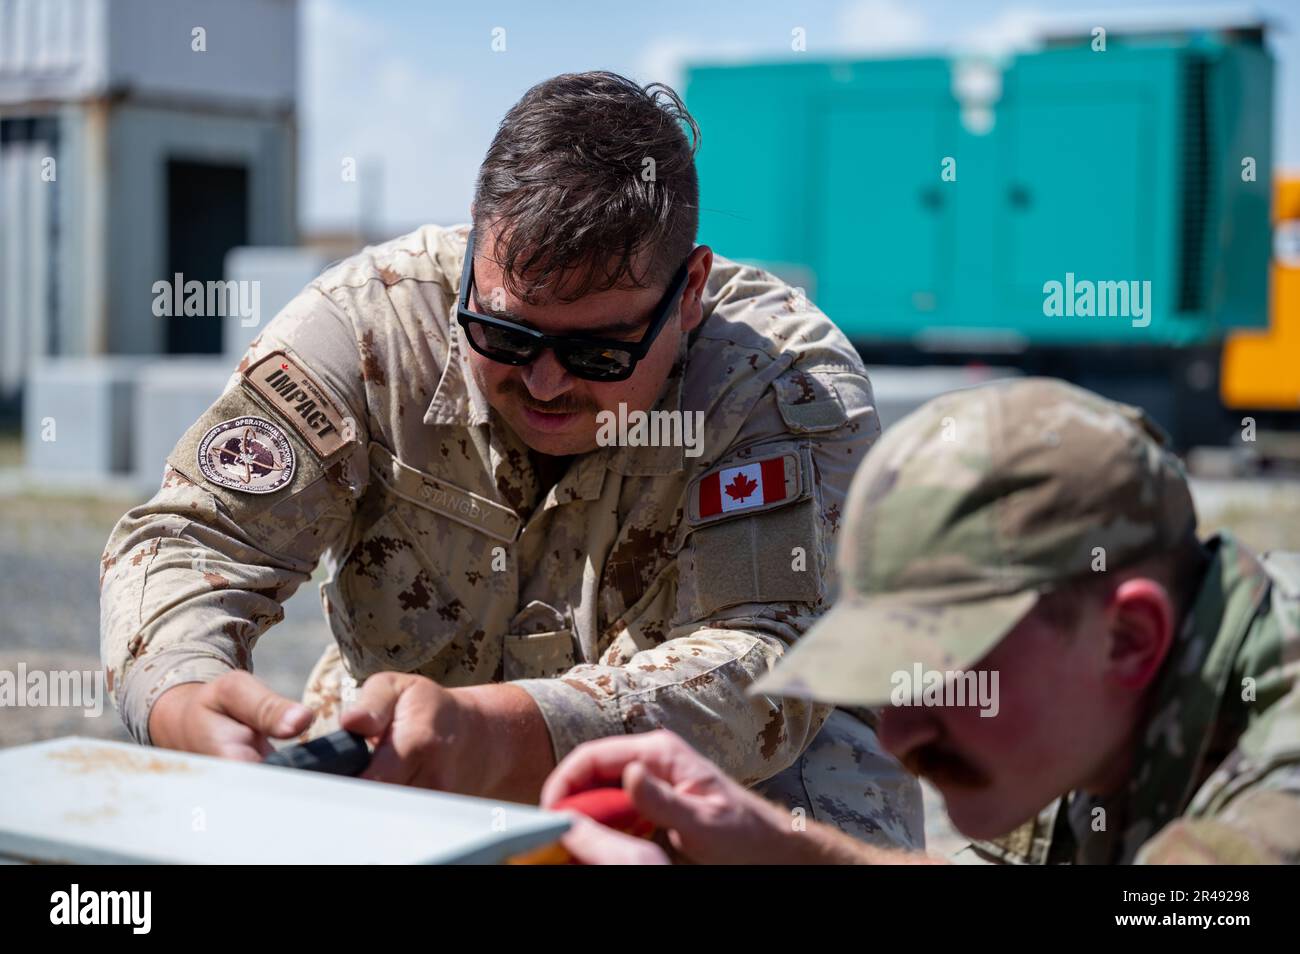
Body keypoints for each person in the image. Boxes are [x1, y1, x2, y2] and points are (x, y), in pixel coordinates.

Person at [98, 71, 922, 846]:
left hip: (741, 781)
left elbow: (769, 656)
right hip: (415, 760)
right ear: (470, 262)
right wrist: (179, 692)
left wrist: (508, 733)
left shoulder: (781, 381)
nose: (545, 382)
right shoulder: (370, 326)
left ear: (692, 291)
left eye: (599, 349)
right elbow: (193, 540)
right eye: (506, 333)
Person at [541, 377, 1300, 864]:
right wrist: (775, 846)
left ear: (1130, 638)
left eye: (945, 672)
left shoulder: (1276, 799)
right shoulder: (1098, 714)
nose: (900, 739)